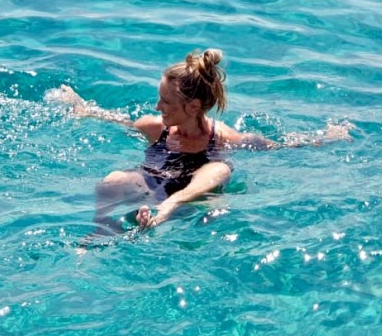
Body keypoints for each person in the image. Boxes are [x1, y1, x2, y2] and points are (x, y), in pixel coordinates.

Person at [47, 48, 350, 233]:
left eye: (165, 102)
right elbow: (118, 120)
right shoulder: (155, 127)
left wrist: (327, 138)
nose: (157, 108)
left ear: (192, 107)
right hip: (153, 185)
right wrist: (82, 109)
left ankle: (158, 217)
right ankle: (103, 230)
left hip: (192, 196)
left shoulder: (225, 137)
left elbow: (280, 146)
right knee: (113, 179)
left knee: (221, 170)